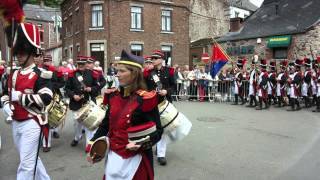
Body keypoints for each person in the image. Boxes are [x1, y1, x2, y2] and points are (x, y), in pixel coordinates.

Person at [87, 50, 163, 180]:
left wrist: (141, 144)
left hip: (136, 160)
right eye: (117, 71)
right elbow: (106, 125)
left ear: (134, 74)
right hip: (113, 157)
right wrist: (93, 143)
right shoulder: (113, 96)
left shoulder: (146, 99)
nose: (117, 75)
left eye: (122, 71)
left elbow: (158, 131)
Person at [1, 22, 52, 180]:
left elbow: (45, 98)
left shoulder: (40, 74)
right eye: (17, 52)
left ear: (31, 53)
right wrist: (5, 105)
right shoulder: (13, 74)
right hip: (16, 122)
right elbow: (4, 94)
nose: (19, 55)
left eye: (23, 52)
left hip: (32, 122)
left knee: (26, 166)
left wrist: (20, 98)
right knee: (31, 159)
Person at [143, 50, 175, 166]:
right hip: (151, 103)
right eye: (152, 58)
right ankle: (150, 146)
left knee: (163, 129)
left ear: (161, 59)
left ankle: (161, 154)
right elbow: (143, 88)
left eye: (155, 58)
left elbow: (173, 86)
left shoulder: (169, 71)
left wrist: (167, 91)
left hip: (165, 103)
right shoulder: (148, 73)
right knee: (151, 127)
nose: (153, 60)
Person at [65, 56, 100, 149]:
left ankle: (89, 144)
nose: (80, 66)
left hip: (88, 102)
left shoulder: (93, 74)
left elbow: (97, 87)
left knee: (89, 124)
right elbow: (67, 89)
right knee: (77, 124)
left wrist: (91, 89)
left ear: (86, 64)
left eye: (82, 64)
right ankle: (77, 137)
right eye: (79, 64)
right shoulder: (72, 74)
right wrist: (73, 95)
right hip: (76, 103)